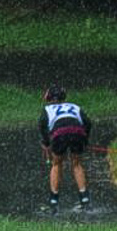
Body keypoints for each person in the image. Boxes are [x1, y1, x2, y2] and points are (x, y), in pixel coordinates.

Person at [38, 84, 92, 213]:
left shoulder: (47, 109)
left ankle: (54, 202)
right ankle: (85, 200)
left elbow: (42, 126)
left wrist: (46, 144)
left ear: (49, 97)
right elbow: (88, 123)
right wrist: (85, 139)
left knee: (56, 164)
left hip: (59, 133)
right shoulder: (75, 106)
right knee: (77, 164)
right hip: (78, 131)